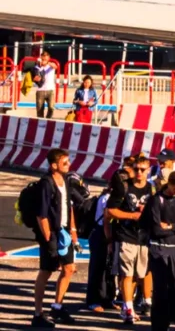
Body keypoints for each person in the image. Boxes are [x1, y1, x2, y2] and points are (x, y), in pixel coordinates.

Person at [31, 148, 78, 328]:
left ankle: (57, 307)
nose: (69, 164)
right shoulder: (46, 183)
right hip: (51, 234)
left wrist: (73, 230)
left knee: (69, 269)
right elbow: (41, 215)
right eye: (65, 162)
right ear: (53, 165)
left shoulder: (65, 180)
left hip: (64, 232)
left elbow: (69, 206)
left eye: (68, 161)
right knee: (46, 271)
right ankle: (38, 314)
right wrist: (49, 238)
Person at [144, 169, 175, 331]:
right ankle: (159, 325)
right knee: (160, 289)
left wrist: (172, 226)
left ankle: (173, 317)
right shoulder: (157, 200)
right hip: (159, 249)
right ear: (169, 184)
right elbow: (157, 230)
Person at [110, 153, 156, 324]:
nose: (139, 172)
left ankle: (130, 303)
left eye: (142, 170)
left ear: (148, 171)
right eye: (136, 169)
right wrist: (132, 215)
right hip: (126, 236)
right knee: (126, 274)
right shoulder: (124, 187)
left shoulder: (151, 190)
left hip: (144, 239)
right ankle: (128, 308)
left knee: (139, 274)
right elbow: (111, 211)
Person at [86, 168, 125, 313]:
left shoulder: (118, 197)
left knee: (110, 269)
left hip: (111, 235)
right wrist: (109, 241)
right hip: (101, 234)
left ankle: (108, 298)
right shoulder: (107, 198)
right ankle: (93, 300)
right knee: (97, 268)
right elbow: (107, 221)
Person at [34, 50, 58, 120]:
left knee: (51, 107)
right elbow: (34, 77)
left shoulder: (51, 65)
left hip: (50, 89)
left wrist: (46, 62)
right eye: (43, 58)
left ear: (48, 58)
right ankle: (40, 122)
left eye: (46, 58)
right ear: (40, 57)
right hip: (40, 90)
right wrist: (36, 78)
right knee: (39, 109)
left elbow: (55, 66)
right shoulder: (37, 67)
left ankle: (48, 120)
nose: (44, 60)